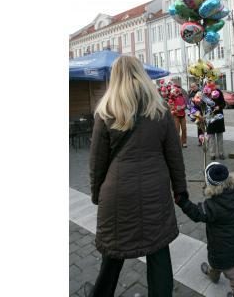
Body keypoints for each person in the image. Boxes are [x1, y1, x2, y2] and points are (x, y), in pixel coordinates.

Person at [84, 56, 188, 297]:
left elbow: (96, 162)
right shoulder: (159, 109)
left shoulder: (106, 110)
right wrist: (180, 191)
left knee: (112, 256)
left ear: (115, 77)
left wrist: (96, 193)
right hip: (156, 193)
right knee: (159, 254)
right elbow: (175, 157)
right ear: (141, 74)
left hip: (117, 194)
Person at [175, 162, 234, 297]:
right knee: (216, 262)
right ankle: (213, 276)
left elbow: (197, 213)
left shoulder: (213, 206)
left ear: (211, 185)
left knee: (233, 274)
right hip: (232, 241)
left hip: (223, 247)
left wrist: (183, 201)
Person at [206, 84, 226, 160]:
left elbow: (223, 103)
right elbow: (204, 104)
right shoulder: (206, 93)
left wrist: (219, 107)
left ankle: (221, 153)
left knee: (219, 136)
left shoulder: (219, 92)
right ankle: (212, 154)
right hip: (210, 117)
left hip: (219, 116)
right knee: (211, 137)